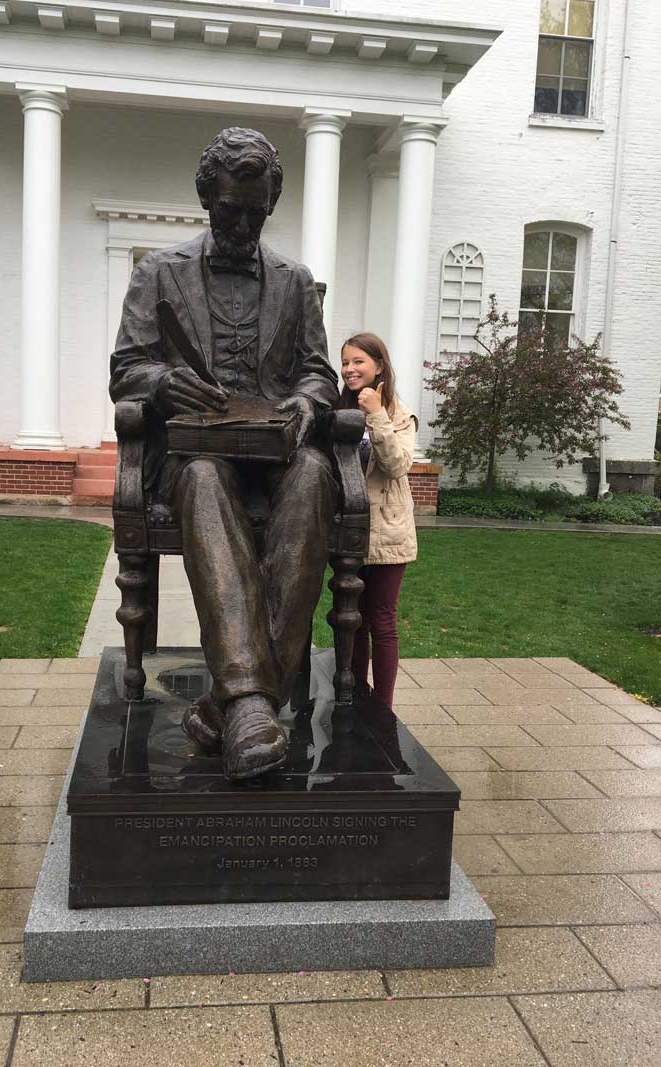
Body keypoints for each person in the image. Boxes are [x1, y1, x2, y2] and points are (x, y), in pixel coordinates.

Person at [110, 128, 339, 780]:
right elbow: (126, 371)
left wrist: (305, 400)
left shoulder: (296, 284)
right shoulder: (158, 273)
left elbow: (320, 373)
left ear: (272, 202)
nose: (242, 223)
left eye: (256, 210)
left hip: (274, 451)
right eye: (229, 209)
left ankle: (230, 702)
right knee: (208, 477)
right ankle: (250, 703)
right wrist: (160, 382)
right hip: (192, 454)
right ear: (207, 199)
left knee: (319, 473)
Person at [339, 332, 417, 708]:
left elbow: (397, 465)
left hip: (387, 533)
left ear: (379, 366)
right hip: (347, 531)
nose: (350, 369)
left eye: (358, 362)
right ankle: (352, 694)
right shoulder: (339, 410)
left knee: (382, 621)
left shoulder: (399, 415)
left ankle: (382, 707)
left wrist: (377, 414)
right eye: (346, 362)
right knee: (352, 620)